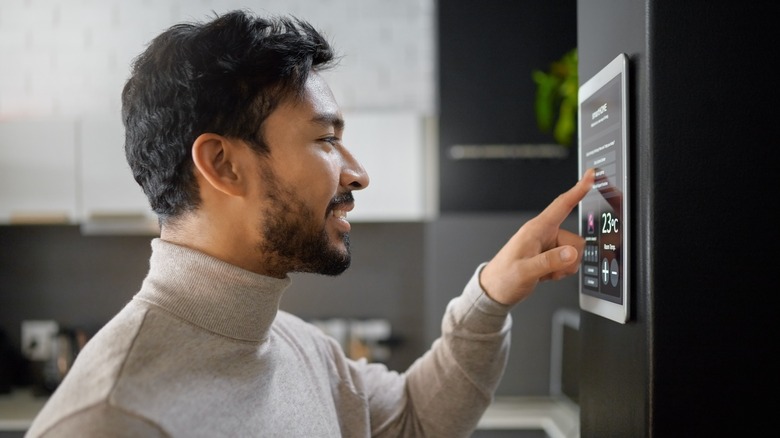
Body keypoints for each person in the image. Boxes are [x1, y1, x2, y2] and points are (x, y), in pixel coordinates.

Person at [26, 9, 595, 438]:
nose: (359, 174)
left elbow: (416, 419)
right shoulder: (110, 418)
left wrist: (489, 296)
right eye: (326, 140)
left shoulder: (296, 345)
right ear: (223, 164)